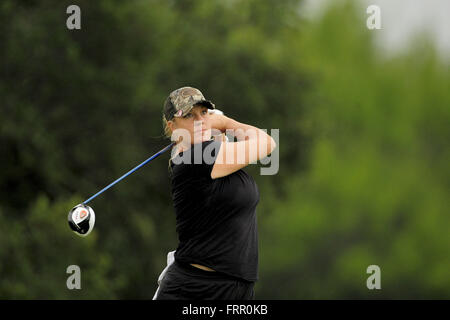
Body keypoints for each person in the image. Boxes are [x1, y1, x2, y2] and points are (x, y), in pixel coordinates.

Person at [154, 86, 276, 300]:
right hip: (196, 289)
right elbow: (267, 142)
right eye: (189, 115)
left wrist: (218, 132)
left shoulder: (209, 154)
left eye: (204, 113)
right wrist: (225, 123)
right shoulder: (195, 158)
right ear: (173, 127)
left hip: (235, 289)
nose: (199, 120)